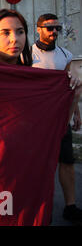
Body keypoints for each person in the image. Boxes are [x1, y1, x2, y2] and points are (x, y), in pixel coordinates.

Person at [32, 13, 82, 224]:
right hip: (35, 121)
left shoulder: (66, 55)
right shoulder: (28, 55)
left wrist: (76, 113)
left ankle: (70, 206)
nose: (54, 32)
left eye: (57, 29)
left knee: (67, 162)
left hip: (61, 119)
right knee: (36, 164)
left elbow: (70, 87)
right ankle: (35, 206)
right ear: (38, 29)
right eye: (49, 28)